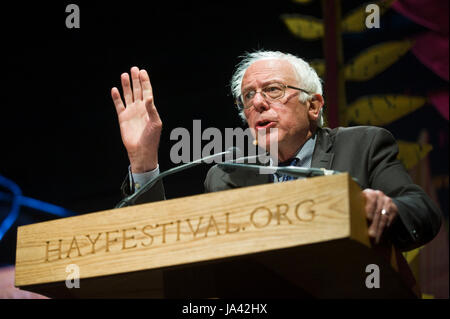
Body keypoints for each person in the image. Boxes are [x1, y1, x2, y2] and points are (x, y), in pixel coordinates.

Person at [111, 50, 441, 252]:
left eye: (273, 90)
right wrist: (143, 160)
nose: (257, 102)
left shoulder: (363, 145)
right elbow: (166, 243)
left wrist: (390, 209)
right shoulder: (226, 176)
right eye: (248, 97)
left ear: (313, 106)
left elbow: (422, 211)